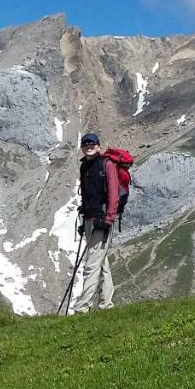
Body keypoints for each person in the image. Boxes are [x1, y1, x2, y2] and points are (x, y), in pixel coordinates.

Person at [71, 133, 119, 313]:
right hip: (90, 220)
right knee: (101, 262)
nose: (89, 146)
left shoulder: (107, 165)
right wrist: (84, 221)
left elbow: (113, 195)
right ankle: (106, 304)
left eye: (92, 144)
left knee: (91, 265)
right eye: (85, 144)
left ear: (99, 146)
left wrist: (108, 220)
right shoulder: (85, 167)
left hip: (102, 222)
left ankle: (81, 307)